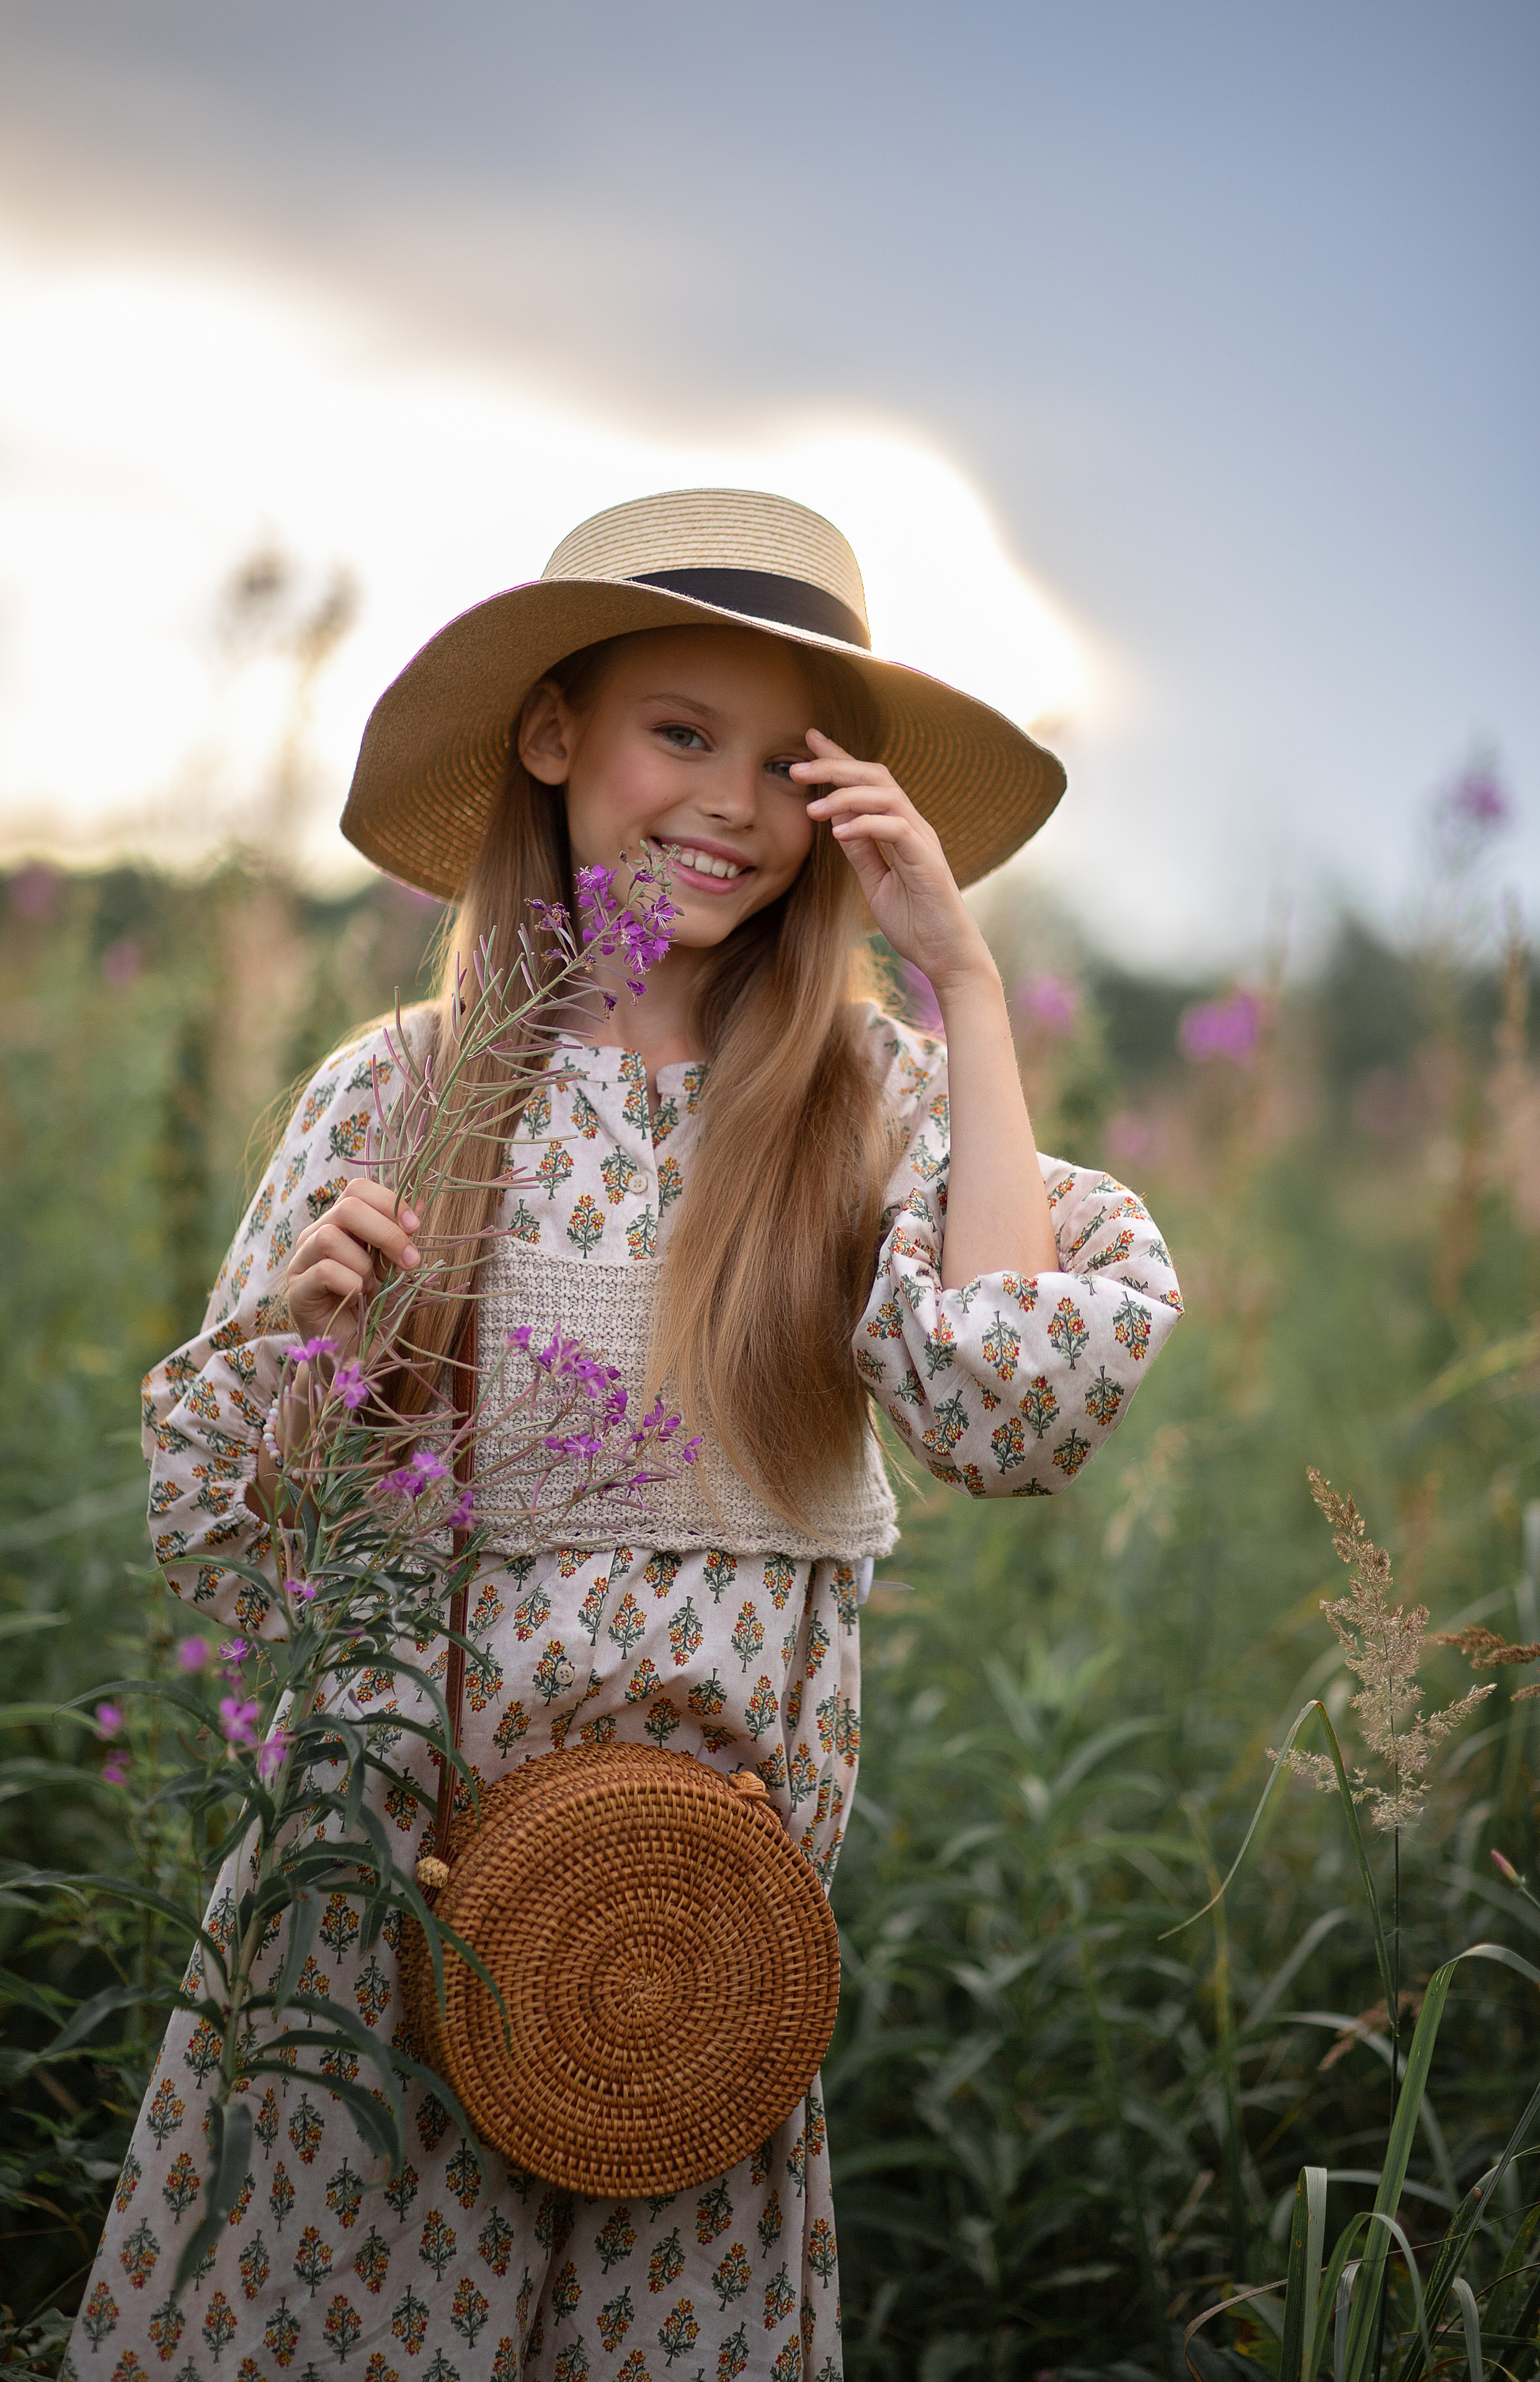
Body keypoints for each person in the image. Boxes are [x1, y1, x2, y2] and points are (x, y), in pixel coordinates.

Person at [69, 489, 1182, 2380]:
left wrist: (963, 982)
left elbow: (1009, 1402)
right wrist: (328, 1340)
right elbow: (211, 1515)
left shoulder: (865, 1105)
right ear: (554, 731)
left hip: (696, 1961)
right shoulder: (410, 1090)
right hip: (385, 1932)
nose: (733, 806)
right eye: (685, 733)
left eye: (790, 765)